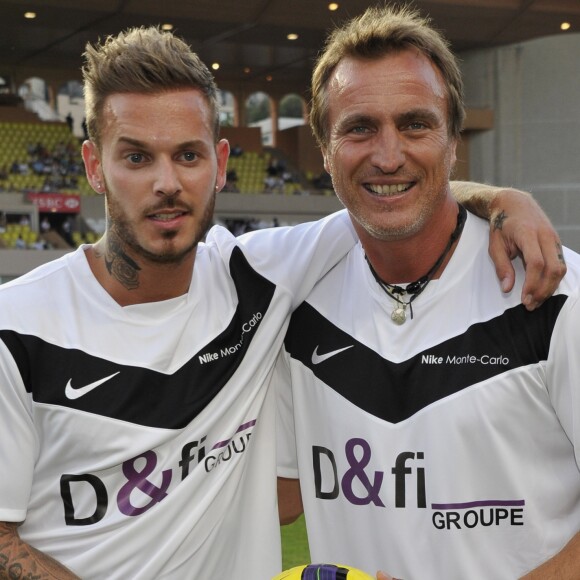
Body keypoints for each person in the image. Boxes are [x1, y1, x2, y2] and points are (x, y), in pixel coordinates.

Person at [0, 24, 565, 580]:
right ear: (95, 165)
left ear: (221, 163)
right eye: (137, 158)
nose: (166, 182)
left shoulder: (260, 278)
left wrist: (503, 200)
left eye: (189, 156)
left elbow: (398, 193)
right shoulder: (17, 327)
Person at [275, 5, 579, 580]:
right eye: (359, 128)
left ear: (452, 141)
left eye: (415, 124)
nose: (388, 155)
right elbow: (277, 494)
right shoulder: (293, 303)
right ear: (323, 149)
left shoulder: (557, 293)